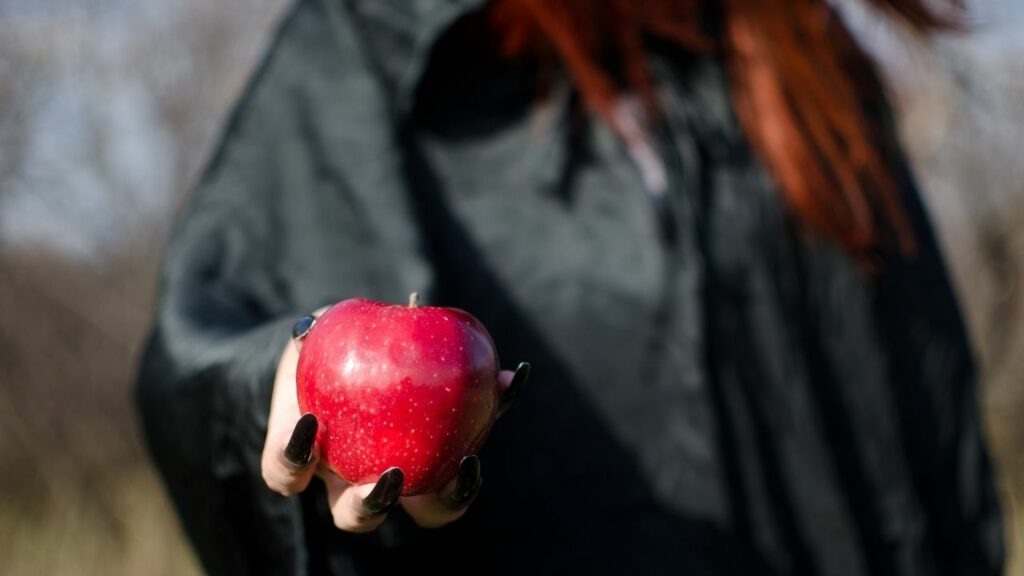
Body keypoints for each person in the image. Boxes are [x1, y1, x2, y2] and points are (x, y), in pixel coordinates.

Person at [136, 0, 1005, 574]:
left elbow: (925, 397)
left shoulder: (791, 44)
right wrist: (282, 395)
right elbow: (206, 336)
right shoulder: (372, 45)